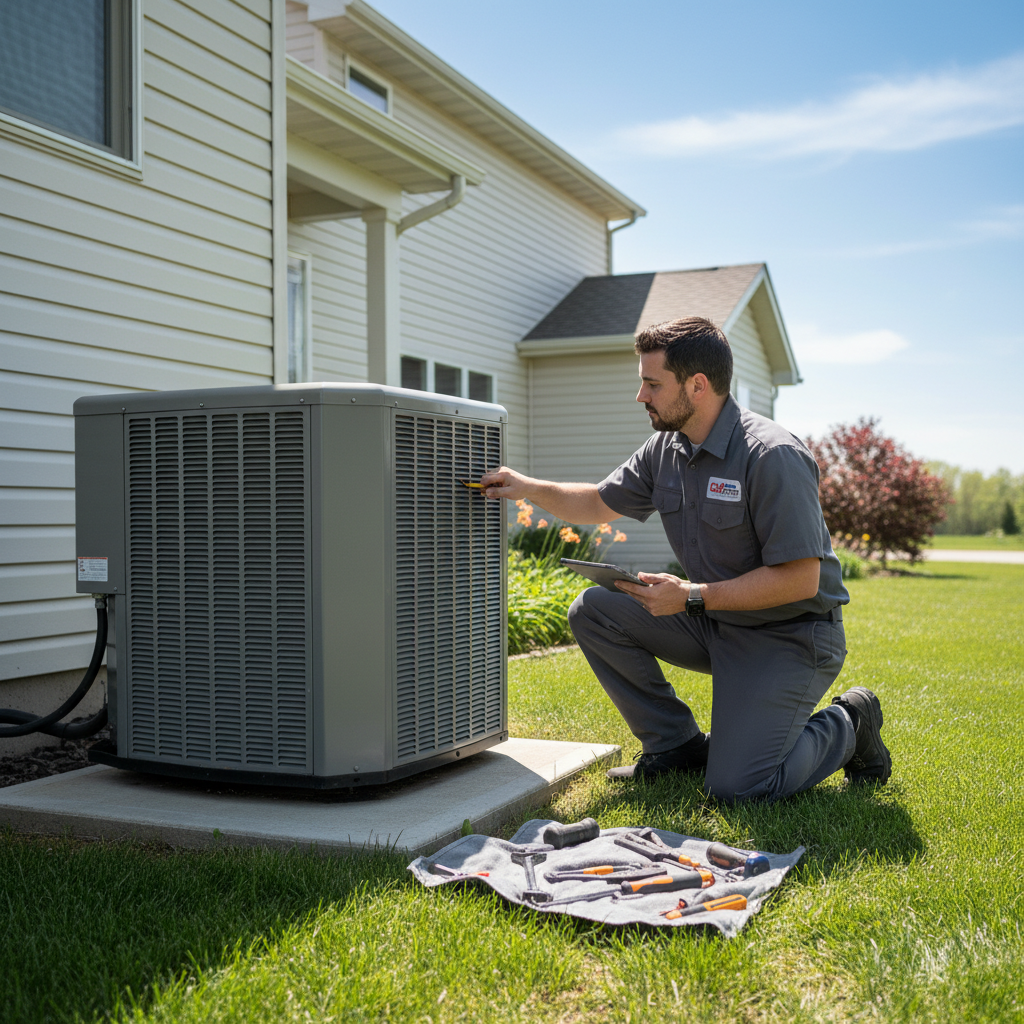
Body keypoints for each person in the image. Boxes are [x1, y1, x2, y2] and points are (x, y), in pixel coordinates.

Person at [480, 316, 891, 801]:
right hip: (716, 619)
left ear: (697, 385)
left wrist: (691, 596)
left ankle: (851, 721)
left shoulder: (771, 455)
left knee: (740, 788)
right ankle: (676, 745)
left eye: (652, 384)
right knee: (595, 609)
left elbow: (801, 580)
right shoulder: (665, 450)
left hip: (791, 634)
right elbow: (595, 502)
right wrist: (525, 487)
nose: (641, 396)